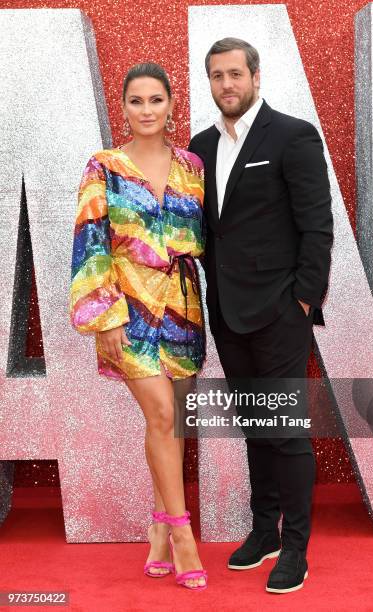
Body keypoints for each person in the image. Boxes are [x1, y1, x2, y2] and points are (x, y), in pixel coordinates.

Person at [189, 38, 333, 593]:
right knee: (255, 427)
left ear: (255, 76)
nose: (227, 84)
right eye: (217, 76)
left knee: (287, 432)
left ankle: (295, 547)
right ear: (210, 83)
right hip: (225, 310)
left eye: (235, 74)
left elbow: (317, 226)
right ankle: (263, 531)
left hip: (279, 311)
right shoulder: (201, 146)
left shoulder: (292, 135)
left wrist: (302, 299)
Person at [69, 62, 207, 590]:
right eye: (136, 101)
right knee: (161, 413)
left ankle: (156, 530)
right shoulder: (104, 166)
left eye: (155, 100)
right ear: (122, 107)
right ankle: (183, 536)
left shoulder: (192, 165)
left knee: (172, 426)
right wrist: (103, 316)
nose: (146, 110)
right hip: (126, 311)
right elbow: (90, 239)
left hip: (183, 308)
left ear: (171, 105)